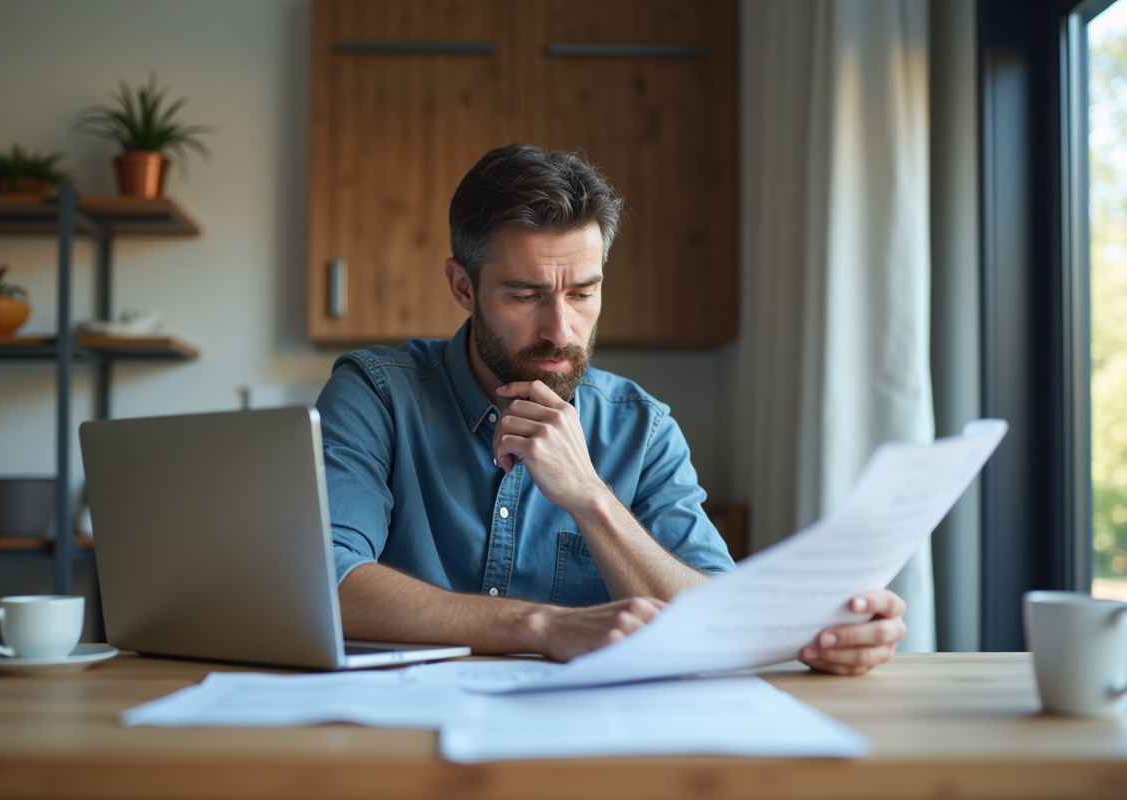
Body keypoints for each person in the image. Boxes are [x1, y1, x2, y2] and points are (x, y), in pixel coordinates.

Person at [316, 143, 907, 675]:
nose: (559, 329)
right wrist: (543, 627)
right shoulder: (376, 395)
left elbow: (717, 612)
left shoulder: (642, 427)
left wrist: (591, 498)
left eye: (582, 293)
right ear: (463, 286)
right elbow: (325, 582)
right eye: (525, 295)